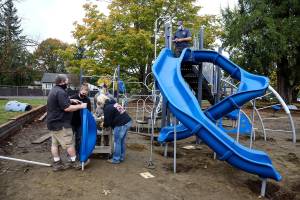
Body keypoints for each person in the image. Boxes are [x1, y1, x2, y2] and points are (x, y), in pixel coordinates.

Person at [47, 74, 87, 171]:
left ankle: (57, 163)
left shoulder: (54, 90)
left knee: (55, 144)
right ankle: (75, 162)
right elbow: (67, 108)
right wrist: (81, 106)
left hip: (52, 123)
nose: (68, 83)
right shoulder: (61, 92)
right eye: (67, 81)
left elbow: (59, 102)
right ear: (62, 82)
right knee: (69, 143)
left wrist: (70, 100)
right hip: (61, 124)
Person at [97, 94, 132, 164]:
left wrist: (103, 124)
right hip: (127, 121)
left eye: (98, 103)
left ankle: (116, 159)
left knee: (117, 142)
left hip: (121, 124)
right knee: (121, 141)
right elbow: (114, 114)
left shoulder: (107, 108)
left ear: (101, 102)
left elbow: (107, 122)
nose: (99, 106)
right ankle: (121, 157)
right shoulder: (113, 103)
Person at [70, 83, 91, 160]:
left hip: (81, 123)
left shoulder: (87, 100)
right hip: (71, 122)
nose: (84, 92)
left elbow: (89, 112)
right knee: (70, 139)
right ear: (80, 90)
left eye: (86, 91)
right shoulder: (73, 98)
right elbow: (67, 108)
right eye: (83, 90)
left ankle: (78, 154)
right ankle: (70, 155)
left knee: (79, 139)